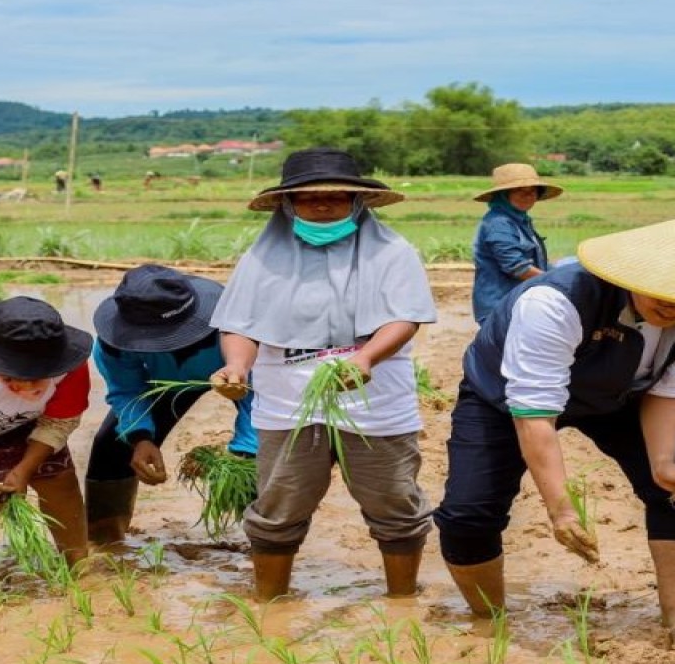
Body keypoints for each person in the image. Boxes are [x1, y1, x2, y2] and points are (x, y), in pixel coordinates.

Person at [434, 213, 675, 651]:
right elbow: (534, 415)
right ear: (634, 272)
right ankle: (489, 617)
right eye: (661, 290)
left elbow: (671, 390)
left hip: (621, 395)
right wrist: (561, 509)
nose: (672, 306)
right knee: (469, 511)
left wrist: (662, 463)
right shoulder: (555, 300)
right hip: (507, 397)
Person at [209, 147, 438, 601]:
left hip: (373, 394)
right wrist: (236, 365)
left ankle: (402, 602)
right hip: (288, 398)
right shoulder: (262, 258)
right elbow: (239, 323)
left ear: (357, 201)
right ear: (287, 204)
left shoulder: (392, 251)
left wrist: (367, 357)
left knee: (394, 503)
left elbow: (405, 317)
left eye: (336, 196)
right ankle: (270, 606)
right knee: (278, 506)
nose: (323, 205)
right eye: (309, 197)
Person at [86, 264, 257, 545]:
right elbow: (126, 390)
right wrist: (141, 437)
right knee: (112, 446)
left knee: (257, 460)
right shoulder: (113, 344)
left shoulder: (235, 332)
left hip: (237, 378)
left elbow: (261, 396)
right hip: (165, 383)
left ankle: (264, 545)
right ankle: (106, 543)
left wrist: (245, 451)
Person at [0, 297, 92, 567]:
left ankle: (78, 564)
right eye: (10, 376)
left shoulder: (69, 368)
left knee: (59, 477)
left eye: (36, 375)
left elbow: (58, 422)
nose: (24, 387)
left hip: (21, 425)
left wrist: (24, 469)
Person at [471, 163, 562, 323]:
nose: (527, 196)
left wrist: (565, 273)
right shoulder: (499, 224)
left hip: (518, 301)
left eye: (532, 191)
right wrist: (558, 281)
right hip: (501, 306)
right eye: (519, 191)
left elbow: (537, 263)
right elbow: (518, 268)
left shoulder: (519, 220)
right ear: (504, 195)